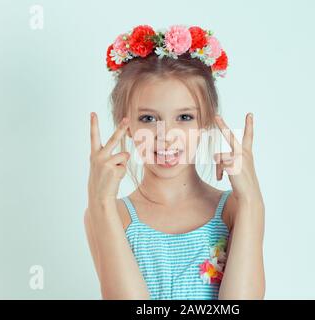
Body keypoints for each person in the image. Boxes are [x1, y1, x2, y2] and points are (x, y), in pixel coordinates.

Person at [84, 24, 265, 300]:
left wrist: (252, 200)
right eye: (148, 119)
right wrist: (100, 201)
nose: (166, 137)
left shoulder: (235, 209)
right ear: (127, 125)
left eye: (184, 117)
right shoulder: (112, 214)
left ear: (205, 122)